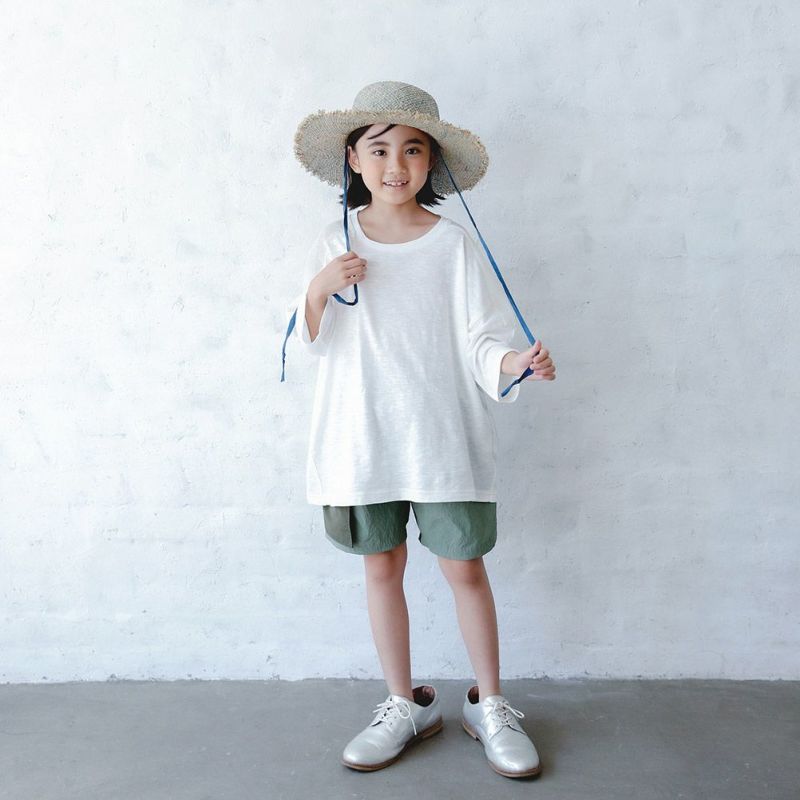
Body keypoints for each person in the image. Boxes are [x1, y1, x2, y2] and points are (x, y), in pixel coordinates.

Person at [283, 81, 556, 779]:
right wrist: (319, 287)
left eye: (412, 149)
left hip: (441, 436)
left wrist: (515, 363)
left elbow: (480, 338)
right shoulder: (335, 240)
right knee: (382, 565)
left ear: (431, 162)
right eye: (378, 150)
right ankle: (403, 703)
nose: (395, 164)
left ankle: (489, 703)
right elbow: (309, 343)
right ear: (353, 159)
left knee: (464, 565)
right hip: (361, 437)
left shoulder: (452, 244)